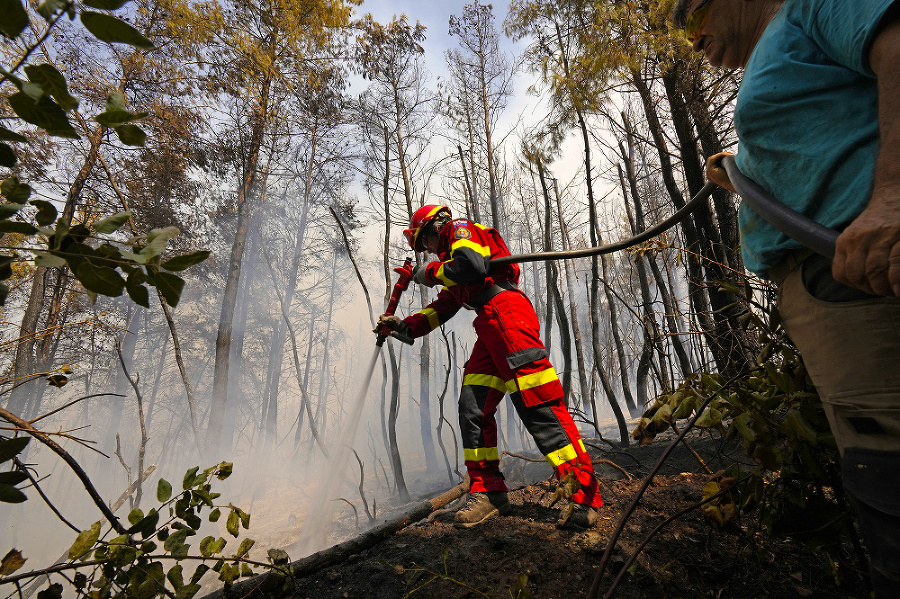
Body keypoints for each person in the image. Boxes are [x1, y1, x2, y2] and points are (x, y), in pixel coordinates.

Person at [671, 0, 900, 595]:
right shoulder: (780, 46)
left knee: (890, 473)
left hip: (862, 282)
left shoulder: (808, 3)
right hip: (830, 292)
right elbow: (824, 142)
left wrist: (894, 199)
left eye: (692, 20)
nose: (690, 40)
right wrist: (744, 169)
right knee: (872, 471)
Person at [377, 204, 603, 529]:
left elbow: (470, 264)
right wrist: (400, 326)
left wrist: (424, 273)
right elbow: (441, 309)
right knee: (473, 408)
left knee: (540, 406)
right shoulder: (452, 270)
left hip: (507, 315)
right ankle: (488, 492)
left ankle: (583, 495)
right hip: (490, 326)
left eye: (423, 243)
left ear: (431, 230)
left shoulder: (460, 231)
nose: (426, 250)